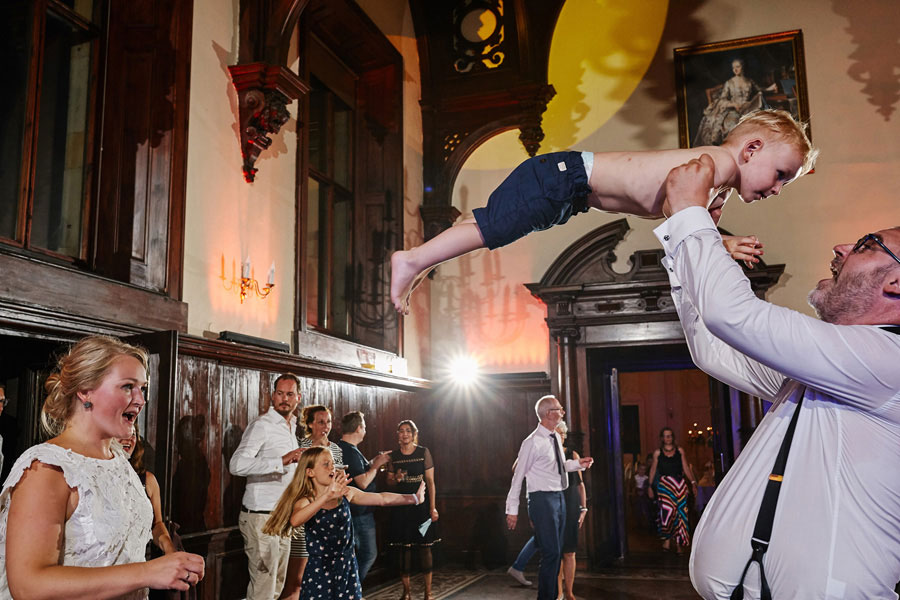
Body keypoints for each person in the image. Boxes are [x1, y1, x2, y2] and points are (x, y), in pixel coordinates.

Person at [656, 153, 900, 599]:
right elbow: (715, 349)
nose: (840, 247)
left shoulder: (890, 362)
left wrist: (691, 215)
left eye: (867, 245)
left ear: (896, 285)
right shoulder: (823, 374)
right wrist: (686, 248)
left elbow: (734, 315)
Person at [390, 108, 818, 313]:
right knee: (493, 227)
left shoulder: (717, 191)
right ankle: (412, 259)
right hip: (566, 177)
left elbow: (690, 241)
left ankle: (426, 259)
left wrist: (721, 245)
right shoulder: (713, 166)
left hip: (571, 192)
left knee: (493, 223)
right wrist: (719, 241)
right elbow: (680, 216)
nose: (777, 189)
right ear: (751, 149)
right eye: (780, 174)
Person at [0, 335, 205, 598]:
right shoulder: (47, 469)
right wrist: (147, 572)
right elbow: (28, 587)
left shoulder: (118, 459)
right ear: (85, 391)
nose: (140, 400)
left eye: (142, 388)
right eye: (127, 386)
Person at [261, 447, 425, 600]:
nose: (332, 468)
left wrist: (414, 498)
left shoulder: (346, 493)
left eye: (333, 463)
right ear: (310, 472)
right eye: (326, 464)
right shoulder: (306, 501)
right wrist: (326, 496)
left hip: (347, 567)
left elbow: (382, 499)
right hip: (319, 570)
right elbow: (295, 520)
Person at [505, 396, 594, 600]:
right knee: (551, 553)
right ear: (548, 413)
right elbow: (518, 476)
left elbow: (558, 467)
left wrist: (578, 464)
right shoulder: (532, 442)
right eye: (559, 409)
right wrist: (512, 510)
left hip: (559, 497)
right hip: (542, 500)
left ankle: (552, 596)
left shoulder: (554, 437)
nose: (563, 412)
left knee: (557, 552)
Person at [229, 373, 304, 600]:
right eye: (280, 393)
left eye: (289, 394)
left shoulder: (292, 426)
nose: (284, 399)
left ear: (298, 398)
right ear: (272, 396)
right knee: (263, 589)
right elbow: (236, 464)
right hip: (261, 517)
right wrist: (281, 461)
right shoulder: (262, 425)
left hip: (283, 516)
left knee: (276, 587)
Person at [282, 405, 344, 599]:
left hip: (327, 519)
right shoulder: (300, 445)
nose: (326, 426)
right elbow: (293, 479)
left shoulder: (335, 449)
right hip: (305, 512)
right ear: (310, 424)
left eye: (329, 422)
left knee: (321, 580)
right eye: (321, 422)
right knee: (296, 580)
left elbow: (337, 482)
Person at [385, 420, 441, 600]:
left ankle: (428, 592)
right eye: (401, 431)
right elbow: (389, 482)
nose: (405, 434)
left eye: (408, 431)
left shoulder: (423, 452)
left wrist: (433, 508)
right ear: (398, 435)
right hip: (402, 507)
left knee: (425, 548)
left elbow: (430, 482)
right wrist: (396, 479)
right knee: (404, 550)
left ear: (414, 434)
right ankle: (406, 592)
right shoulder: (393, 456)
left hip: (422, 508)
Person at [336, 411, 391, 582]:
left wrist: (373, 461)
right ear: (359, 428)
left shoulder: (349, 449)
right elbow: (363, 483)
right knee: (368, 554)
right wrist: (376, 466)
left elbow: (359, 471)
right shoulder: (349, 451)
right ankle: (352, 589)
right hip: (359, 513)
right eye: (364, 427)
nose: (365, 430)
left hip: (358, 511)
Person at [119, 423, 177, 554]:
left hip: (141, 560)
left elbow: (157, 524)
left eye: (133, 434)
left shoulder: (148, 480)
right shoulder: (94, 477)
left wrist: (169, 548)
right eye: (122, 433)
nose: (128, 438)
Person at [693, 58, 777, 147]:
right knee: (732, 126)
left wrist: (770, 88)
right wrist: (733, 104)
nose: (735, 70)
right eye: (733, 68)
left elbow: (759, 90)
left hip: (747, 108)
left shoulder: (749, 81)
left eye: (737, 67)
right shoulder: (729, 83)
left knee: (760, 124)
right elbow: (722, 99)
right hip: (734, 109)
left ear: (742, 67)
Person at [647, 427, 698, 554]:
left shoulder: (680, 451)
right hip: (665, 486)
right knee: (667, 513)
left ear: (673, 437)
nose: (668, 438)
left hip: (679, 485)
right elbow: (653, 470)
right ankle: (667, 540)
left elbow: (685, 467)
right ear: (662, 438)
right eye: (665, 436)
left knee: (681, 514)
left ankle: (679, 543)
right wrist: (649, 486)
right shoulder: (657, 453)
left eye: (670, 435)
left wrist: (693, 483)